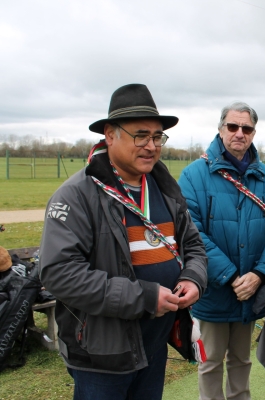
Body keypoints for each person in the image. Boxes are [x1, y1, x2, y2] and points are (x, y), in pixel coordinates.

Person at [39, 83, 208, 400]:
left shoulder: (165, 189)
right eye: (140, 135)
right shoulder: (77, 195)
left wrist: (193, 278)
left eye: (158, 137)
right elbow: (59, 274)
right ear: (110, 135)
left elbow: (195, 248)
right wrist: (143, 297)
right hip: (102, 356)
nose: (151, 146)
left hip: (155, 346)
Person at [178, 102, 265, 400]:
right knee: (210, 362)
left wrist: (259, 273)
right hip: (213, 290)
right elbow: (191, 232)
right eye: (233, 126)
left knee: (241, 361)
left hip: (250, 291)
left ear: (253, 133)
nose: (239, 133)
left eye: (247, 128)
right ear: (220, 128)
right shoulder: (193, 176)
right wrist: (229, 275)